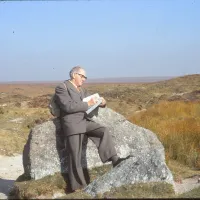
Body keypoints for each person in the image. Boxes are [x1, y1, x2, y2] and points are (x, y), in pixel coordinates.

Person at [55, 65, 124, 192]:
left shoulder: (82, 90)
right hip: (72, 125)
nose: (84, 79)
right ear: (74, 75)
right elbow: (67, 106)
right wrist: (88, 104)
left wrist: (102, 102)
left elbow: (93, 99)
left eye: (85, 77)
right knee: (75, 156)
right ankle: (78, 188)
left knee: (103, 130)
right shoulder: (62, 87)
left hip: (84, 121)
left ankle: (114, 159)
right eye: (82, 76)